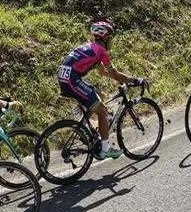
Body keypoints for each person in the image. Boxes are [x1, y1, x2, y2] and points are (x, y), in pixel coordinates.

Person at [57, 18, 145, 160]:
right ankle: (105, 149)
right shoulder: (101, 51)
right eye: (111, 38)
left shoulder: (92, 48)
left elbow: (103, 72)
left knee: (100, 95)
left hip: (66, 77)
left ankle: (84, 120)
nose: (111, 42)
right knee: (102, 110)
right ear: (105, 37)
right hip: (72, 79)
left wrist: (118, 78)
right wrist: (133, 80)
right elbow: (113, 73)